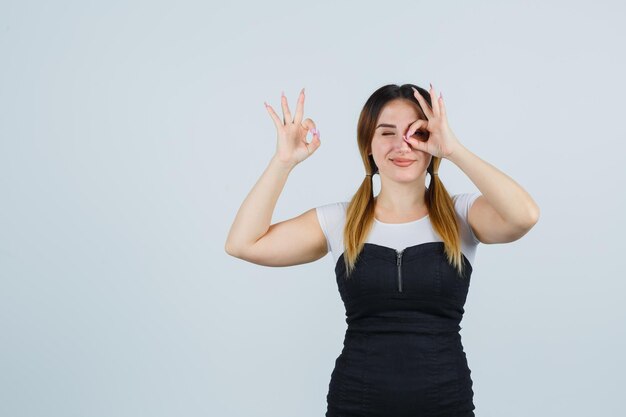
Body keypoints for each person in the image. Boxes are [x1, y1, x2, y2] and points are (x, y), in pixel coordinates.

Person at [225, 84, 540, 416]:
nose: (402, 145)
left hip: (447, 406)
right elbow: (243, 243)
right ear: (369, 147)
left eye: (416, 133)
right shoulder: (339, 221)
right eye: (387, 133)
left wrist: (454, 150)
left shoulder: (461, 215)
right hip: (354, 406)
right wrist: (283, 162)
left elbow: (524, 215)